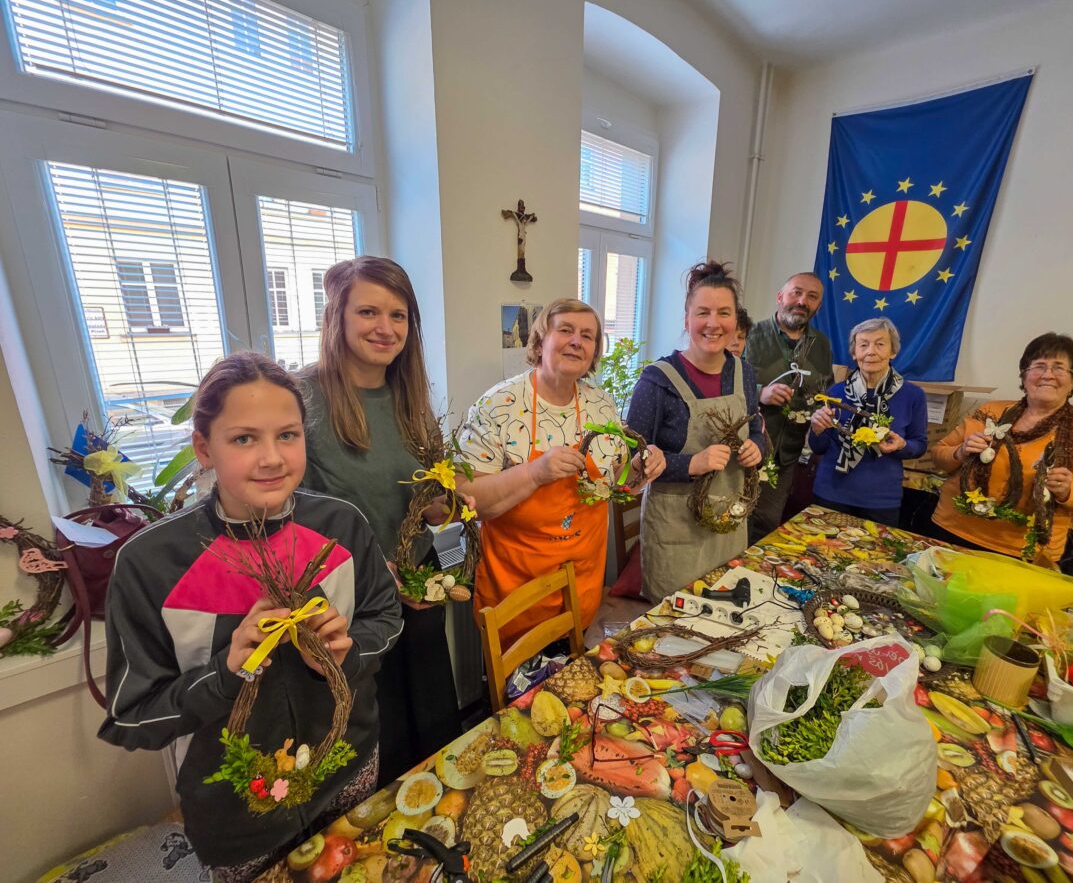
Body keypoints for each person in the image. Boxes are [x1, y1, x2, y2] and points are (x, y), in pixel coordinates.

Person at [98, 352, 403, 881]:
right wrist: (223, 674)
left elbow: (385, 617)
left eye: (287, 435)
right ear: (204, 448)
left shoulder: (341, 526)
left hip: (350, 768)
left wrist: (346, 649)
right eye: (244, 439)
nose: (272, 458)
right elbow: (132, 716)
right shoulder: (151, 564)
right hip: (238, 815)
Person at [298, 256, 462, 786]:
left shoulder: (412, 399)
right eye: (368, 311)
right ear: (337, 317)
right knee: (376, 741)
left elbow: (439, 503)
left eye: (399, 315)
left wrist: (445, 572)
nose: (385, 328)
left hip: (418, 597)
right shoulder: (302, 398)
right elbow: (287, 519)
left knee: (436, 729)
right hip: (350, 612)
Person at [458, 298, 665, 645]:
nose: (576, 341)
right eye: (565, 330)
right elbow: (469, 499)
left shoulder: (602, 403)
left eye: (587, 336)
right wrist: (535, 472)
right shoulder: (497, 405)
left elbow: (615, 480)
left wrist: (642, 467)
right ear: (540, 343)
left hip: (581, 581)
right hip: (517, 589)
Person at [627, 260, 766, 603]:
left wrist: (758, 447)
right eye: (703, 312)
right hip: (676, 532)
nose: (713, 323)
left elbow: (757, 427)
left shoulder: (744, 373)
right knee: (673, 627)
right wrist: (693, 463)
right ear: (687, 319)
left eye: (724, 312)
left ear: (736, 320)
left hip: (729, 524)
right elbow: (633, 458)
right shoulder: (657, 380)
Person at [930, 333, 1073, 564]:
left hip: (1021, 550)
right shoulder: (990, 412)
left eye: (1059, 368)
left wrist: (1068, 491)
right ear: (1024, 374)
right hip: (952, 531)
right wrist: (960, 451)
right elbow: (939, 455)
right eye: (1039, 366)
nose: (1048, 375)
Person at [807, 317, 928, 526]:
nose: (871, 351)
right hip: (831, 492)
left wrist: (903, 446)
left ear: (893, 352)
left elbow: (920, 445)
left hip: (881, 500)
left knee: (874, 557)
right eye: (863, 345)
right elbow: (818, 447)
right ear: (854, 354)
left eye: (880, 344)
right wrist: (817, 429)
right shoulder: (835, 393)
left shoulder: (913, 395)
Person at [744, 272, 833, 542]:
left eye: (812, 297)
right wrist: (760, 393)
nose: (802, 301)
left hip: (786, 456)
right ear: (780, 296)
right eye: (796, 292)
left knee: (766, 525)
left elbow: (825, 393)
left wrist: (823, 412)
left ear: (817, 306)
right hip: (745, 451)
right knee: (731, 521)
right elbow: (723, 385)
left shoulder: (822, 346)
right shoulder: (749, 335)